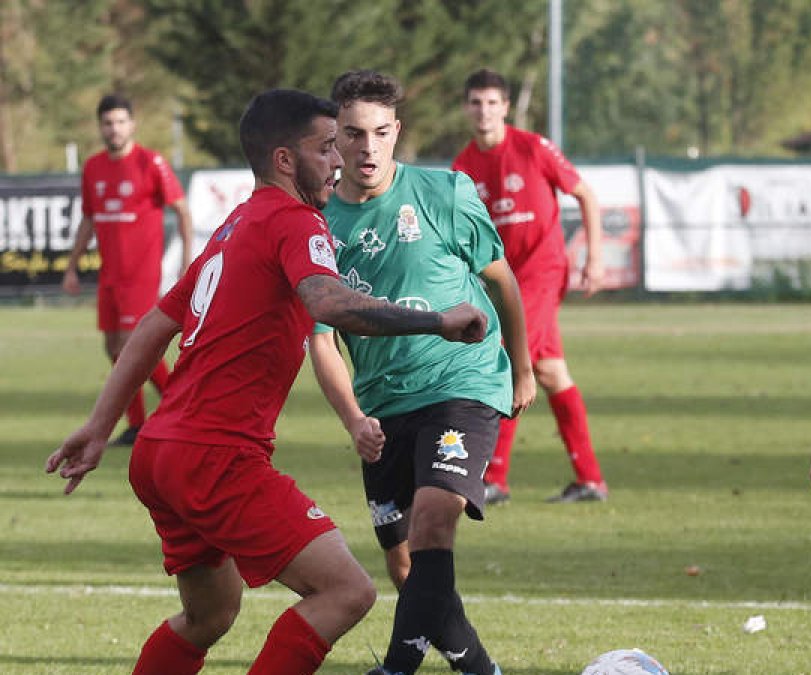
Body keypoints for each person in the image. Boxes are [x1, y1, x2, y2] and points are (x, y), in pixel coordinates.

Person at [45, 88, 490, 675]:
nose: (338, 160)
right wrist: (438, 319)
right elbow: (327, 301)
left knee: (210, 614)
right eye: (327, 147)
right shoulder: (294, 221)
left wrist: (101, 428)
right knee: (347, 592)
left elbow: (156, 323)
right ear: (285, 160)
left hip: (160, 455)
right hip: (216, 456)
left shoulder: (237, 225)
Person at [310, 69, 535, 675]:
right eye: (353, 135)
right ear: (334, 139)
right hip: (382, 405)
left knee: (436, 520)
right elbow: (323, 341)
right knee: (406, 562)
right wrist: (353, 417)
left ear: (396, 132)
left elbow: (502, 282)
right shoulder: (319, 225)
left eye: (380, 133)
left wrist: (522, 366)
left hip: (462, 383)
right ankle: (480, 669)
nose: (367, 148)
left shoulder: (446, 193)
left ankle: (394, 669)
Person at [451, 68, 608, 504]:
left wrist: (594, 258)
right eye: (476, 103)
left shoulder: (532, 147)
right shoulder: (462, 166)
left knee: (508, 359)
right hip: (503, 280)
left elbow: (586, 196)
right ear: (467, 109)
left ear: (505, 107)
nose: (484, 111)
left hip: (543, 270)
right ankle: (590, 480)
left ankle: (492, 478)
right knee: (550, 372)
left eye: (492, 102)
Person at [62, 94, 195, 446]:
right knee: (112, 347)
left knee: (130, 345)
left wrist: (185, 261)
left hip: (141, 273)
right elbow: (89, 220)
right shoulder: (93, 167)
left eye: (121, 121)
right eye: (108, 123)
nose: (114, 129)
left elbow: (182, 211)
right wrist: (72, 267)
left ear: (132, 124)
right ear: (100, 127)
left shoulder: (150, 162)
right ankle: (138, 423)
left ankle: (181, 409)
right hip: (110, 275)